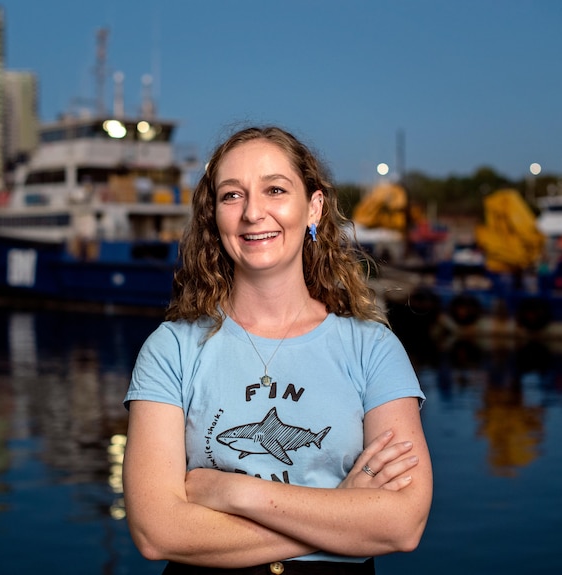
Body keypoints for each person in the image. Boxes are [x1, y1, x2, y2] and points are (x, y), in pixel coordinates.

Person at [123, 126, 432, 574]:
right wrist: (342, 513)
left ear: (313, 207)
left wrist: (235, 494)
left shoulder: (373, 348)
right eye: (232, 196)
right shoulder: (171, 349)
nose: (253, 213)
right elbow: (157, 533)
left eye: (274, 190)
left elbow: (402, 525)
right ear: (214, 216)